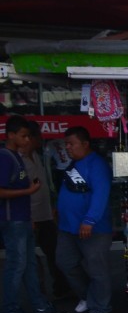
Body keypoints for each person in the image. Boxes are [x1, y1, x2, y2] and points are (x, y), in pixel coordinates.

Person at [0, 116, 67, 313]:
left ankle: (39, 303)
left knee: (29, 263)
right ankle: (8, 307)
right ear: (10, 135)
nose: (28, 140)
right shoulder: (5, 157)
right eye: (23, 136)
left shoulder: (17, 156)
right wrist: (29, 191)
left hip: (24, 217)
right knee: (17, 263)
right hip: (12, 219)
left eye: (29, 136)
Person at [56, 126, 112, 313]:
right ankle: (88, 297)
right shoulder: (73, 164)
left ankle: (100, 308)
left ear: (85, 144)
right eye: (66, 144)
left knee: (97, 268)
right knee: (65, 262)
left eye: (72, 144)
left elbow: (101, 194)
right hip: (68, 226)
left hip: (93, 228)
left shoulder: (97, 165)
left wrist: (89, 220)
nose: (68, 148)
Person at [24, 119, 72, 299]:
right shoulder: (16, 159)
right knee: (29, 259)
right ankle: (38, 296)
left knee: (56, 253)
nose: (41, 139)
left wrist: (53, 207)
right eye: (38, 136)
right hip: (28, 215)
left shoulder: (37, 155)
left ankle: (62, 288)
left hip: (45, 213)